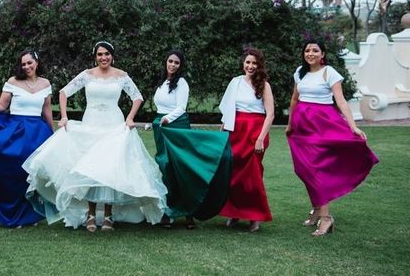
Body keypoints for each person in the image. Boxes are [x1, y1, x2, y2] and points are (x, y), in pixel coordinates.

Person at [22, 41, 167, 232]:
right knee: (89, 169)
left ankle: (108, 216)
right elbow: (64, 92)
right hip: (91, 124)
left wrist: (130, 118)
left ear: (112, 55)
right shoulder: (87, 75)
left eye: (106, 54)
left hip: (114, 125)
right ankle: (90, 214)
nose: (103, 57)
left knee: (108, 170)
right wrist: (64, 116)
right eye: (99, 54)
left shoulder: (121, 76)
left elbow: (137, 97)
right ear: (95, 56)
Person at [286, 40, 379, 236]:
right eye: (307, 50)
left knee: (316, 169)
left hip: (322, 124)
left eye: (315, 50)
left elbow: (341, 100)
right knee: (303, 169)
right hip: (302, 126)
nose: (310, 53)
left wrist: (353, 126)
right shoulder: (299, 73)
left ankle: (326, 218)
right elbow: (294, 99)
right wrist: (289, 124)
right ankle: (318, 209)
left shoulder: (330, 73)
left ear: (322, 54)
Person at [0, 50, 54, 227]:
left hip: (38, 132)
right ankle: (12, 213)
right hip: (17, 130)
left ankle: (31, 214)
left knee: (32, 174)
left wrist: (52, 134)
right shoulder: (13, 82)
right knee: (15, 172)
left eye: (30, 63)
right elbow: (1, 105)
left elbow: (47, 110)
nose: (27, 67)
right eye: (23, 64)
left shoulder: (46, 83)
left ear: (36, 62)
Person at [152, 50, 232, 229]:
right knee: (166, 168)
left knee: (182, 169)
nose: (172, 65)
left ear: (181, 66)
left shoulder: (181, 83)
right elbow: (159, 107)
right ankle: (168, 212)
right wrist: (156, 122)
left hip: (176, 126)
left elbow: (180, 108)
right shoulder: (162, 82)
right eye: (170, 61)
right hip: (161, 128)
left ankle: (189, 213)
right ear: (165, 62)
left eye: (176, 63)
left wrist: (167, 119)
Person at [219, 48, 274, 232]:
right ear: (243, 63)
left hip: (255, 132)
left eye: (254, 63)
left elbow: (270, 114)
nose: (250, 66)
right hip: (235, 131)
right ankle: (235, 213)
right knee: (233, 175)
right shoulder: (235, 82)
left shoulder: (264, 85)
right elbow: (227, 110)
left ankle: (254, 217)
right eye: (248, 62)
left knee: (252, 175)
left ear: (259, 65)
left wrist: (260, 139)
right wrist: (222, 133)